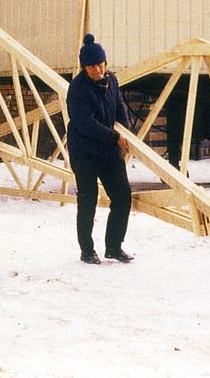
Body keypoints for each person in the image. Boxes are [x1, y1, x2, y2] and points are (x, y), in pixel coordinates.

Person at [66, 33, 134, 265]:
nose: (97, 70)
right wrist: (114, 136)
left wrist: (125, 132)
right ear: (84, 67)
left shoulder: (111, 80)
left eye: (100, 64)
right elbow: (85, 123)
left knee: (122, 196)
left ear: (105, 62)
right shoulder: (77, 89)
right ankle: (87, 250)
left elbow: (119, 107)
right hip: (85, 152)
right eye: (91, 66)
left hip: (109, 151)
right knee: (88, 200)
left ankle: (114, 247)